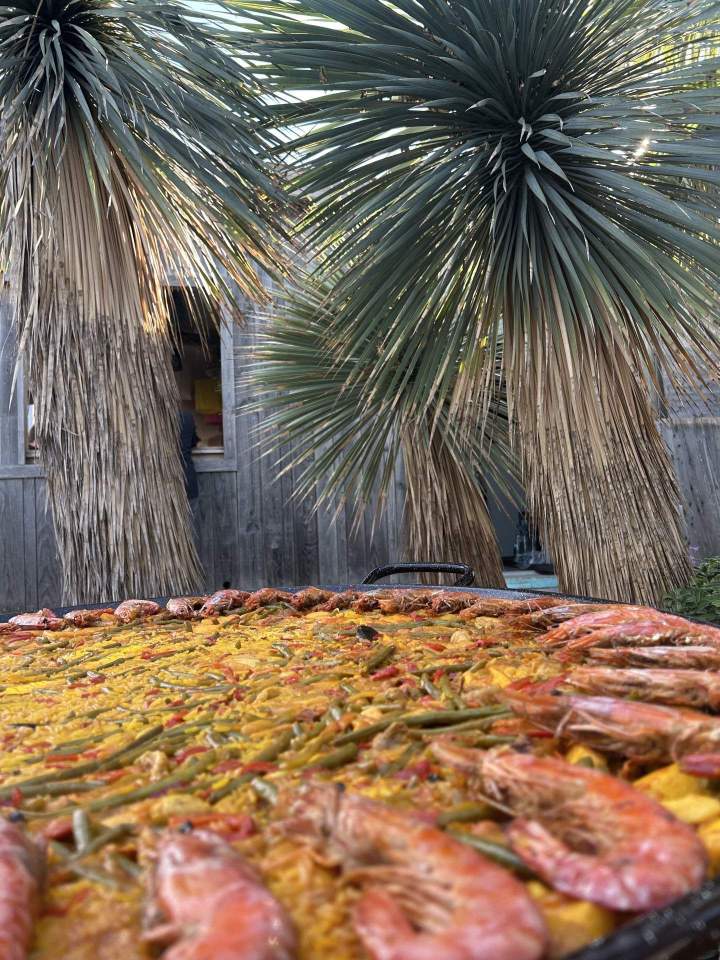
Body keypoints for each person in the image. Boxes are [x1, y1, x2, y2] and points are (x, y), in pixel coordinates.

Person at [179, 409, 200, 532]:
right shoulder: (187, 417)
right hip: (188, 480)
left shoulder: (156, 419)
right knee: (188, 530)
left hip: (164, 483)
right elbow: (193, 442)